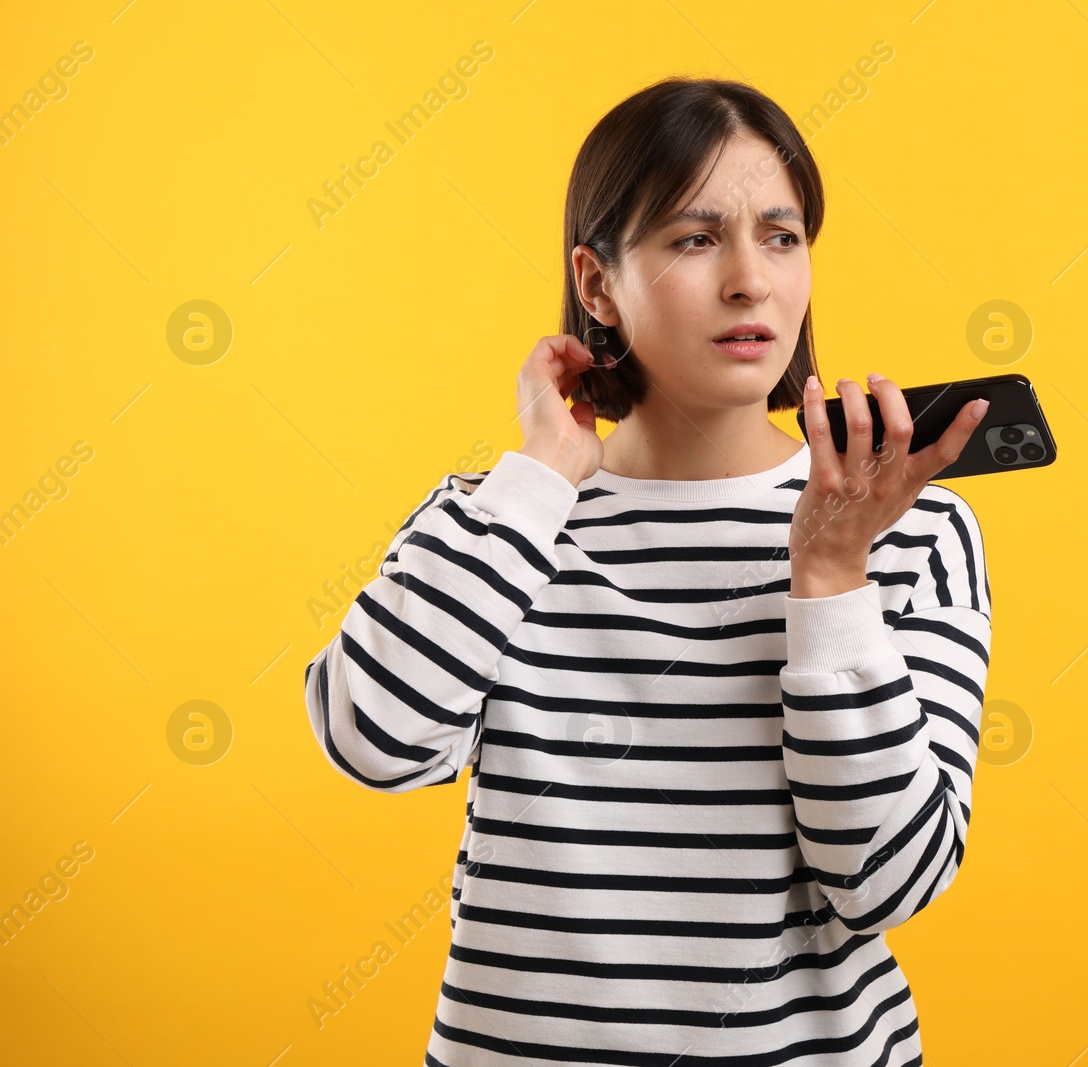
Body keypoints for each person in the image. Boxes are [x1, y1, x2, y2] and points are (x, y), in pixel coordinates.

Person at [304, 75, 994, 1066]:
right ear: (595, 284)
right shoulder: (501, 519)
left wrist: (831, 571)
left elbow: (887, 878)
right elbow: (372, 738)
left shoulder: (911, 532)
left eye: (782, 235)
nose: (750, 280)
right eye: (695, 237)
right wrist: (542, 475)